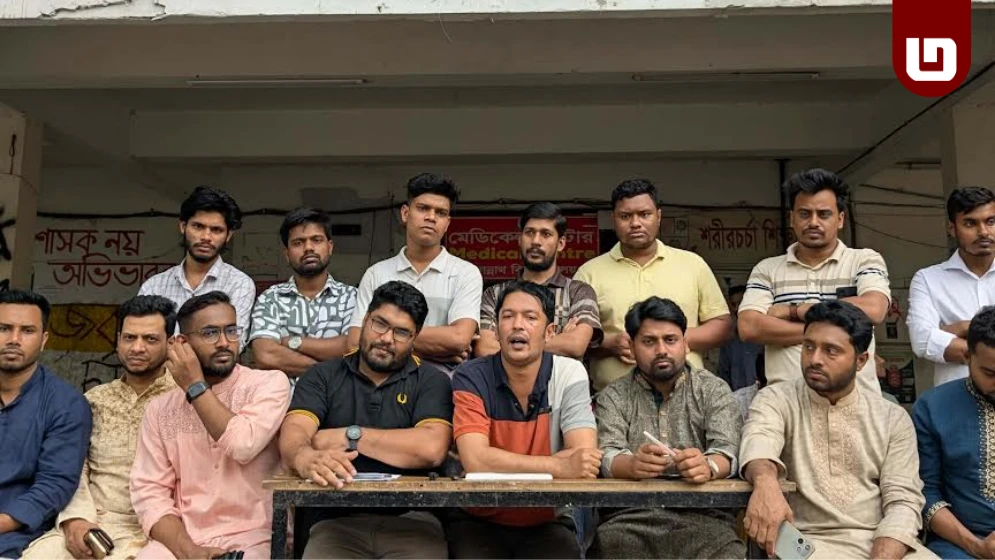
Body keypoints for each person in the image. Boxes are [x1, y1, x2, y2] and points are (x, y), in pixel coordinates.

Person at [740, 301, 935, 559]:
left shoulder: (892, 417)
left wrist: (883, 554)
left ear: (860, 361)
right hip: (804, 542)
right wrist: (765, 481)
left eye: (831, 351)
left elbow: (903, 500)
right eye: (809, 347)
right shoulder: (776, 399)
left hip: (880, 541)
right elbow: (759, 443)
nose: (815, 359)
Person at [279, 280, 453, 559]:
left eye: (401, 332)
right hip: (335, 520)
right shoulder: (322, 375)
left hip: (414, 521)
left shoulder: (431, 381)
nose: (386, 338)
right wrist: (303, 456)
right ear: (364, 320)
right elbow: (295, 431)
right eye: (379, 324)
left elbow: (431, 448)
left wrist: (350, 435)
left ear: (415, 337)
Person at [130, 291, 290, 560]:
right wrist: (191, 552)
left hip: (256, 538)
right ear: (181, 343)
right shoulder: (160, 410)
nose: (224, 342)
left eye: (231, 331)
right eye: (210, 333)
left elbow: (242, 445)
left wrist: (195, 386)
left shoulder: (269, 384)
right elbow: (150, 496)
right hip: (186, 540)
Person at [449, 281, 600, 559]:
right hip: (478, 518)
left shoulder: (569, 373)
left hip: (547, 520)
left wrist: (499, 462)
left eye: (530, 317)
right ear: (496, 330)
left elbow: (583, 459)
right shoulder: (471, 376)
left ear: (549, 332)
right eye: (508, 316)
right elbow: (476, 460)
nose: (517, 325)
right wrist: (558, 465)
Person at [23, 296, 178, 560]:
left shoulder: (184, 400)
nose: (137, 347)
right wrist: (76, 520)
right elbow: (74, 468)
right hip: (93, 522)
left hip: (155, 529)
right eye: (129, 338)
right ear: (118, 341)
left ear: (170, 343)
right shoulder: (94, 400)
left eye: (150, 339)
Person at [590, 296, 745, 559]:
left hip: (706, 520)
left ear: (686, 344)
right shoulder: (614, 396)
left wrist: (708, 466)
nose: (661, 350)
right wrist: (632, 466)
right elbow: (607, 454)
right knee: (610, 543)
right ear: (632, 347)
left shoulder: (713, 390)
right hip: (630, 520)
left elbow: (728, 450)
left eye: (670, 340)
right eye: (649, 342)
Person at [738, 168, 890, 396]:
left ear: (840, 219)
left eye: (824, 214)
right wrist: (834, 328)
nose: (814, 222)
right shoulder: (767, 269)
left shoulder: (863, 260)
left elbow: (874, 309)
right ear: (792, 218)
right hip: (785, 404)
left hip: (856, 402)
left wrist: (795, 311)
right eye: (804, 214)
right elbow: (749, 327)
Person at [574, 179, 731, 391]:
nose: (635, 223)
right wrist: (609, 344)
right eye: (625, 216)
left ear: (658, 216)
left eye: (644, 214)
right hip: (613, 400)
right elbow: (570, 339)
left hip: (686, 396)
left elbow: (722, 325)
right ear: (613, 219)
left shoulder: (693, 264)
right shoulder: (589, 273)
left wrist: (671, 339)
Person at [348, 173, 482, 375]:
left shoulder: (466, 273)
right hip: (382, 386)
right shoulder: (376, 274)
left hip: (443, 387)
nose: (431, 217)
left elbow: (459, 339)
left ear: (447, 223)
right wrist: (436, 353)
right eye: (423, 208)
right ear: (405, 213)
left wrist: (384, 338)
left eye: (440, 213)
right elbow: (354, 343)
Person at [0, 290, 91, 559]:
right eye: (4, 328)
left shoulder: (66, 404)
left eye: (27, 331)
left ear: (43, 340)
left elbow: (54, 485)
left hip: (15, 537)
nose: (14, 339)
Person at [912, 304, 995, 558]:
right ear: (967, 356)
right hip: (960, 543)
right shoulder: (932, 408)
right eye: (990, 373)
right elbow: (925, 493)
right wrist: (976, 546)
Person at [476, 202, 602, 360]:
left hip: (561, 377)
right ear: (520, 239)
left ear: (561, 243)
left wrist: (511, 344)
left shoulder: (578, 292)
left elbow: (576, 345)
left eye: (546, 234)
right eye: (529, 233)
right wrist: (558, 340)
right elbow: (485, 349)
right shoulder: (494, 294)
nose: (536, 241)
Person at [250, 208, 357, 388]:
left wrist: (291, 342)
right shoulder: (271, 298)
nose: (308, 248)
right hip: (284, 403)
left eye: (316, 240)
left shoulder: (352, 298)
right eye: (298, 242)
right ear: (287, 253)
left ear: (330, 247)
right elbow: (265, 355)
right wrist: (326, 369)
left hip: (338, 402)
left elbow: (351, 349)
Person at [139, 186, 255, 341]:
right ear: (183, 227)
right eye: (198, 226)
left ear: (228, 236)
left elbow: (233, 344)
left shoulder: (239, 284)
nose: (206, 237)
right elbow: (142, 342)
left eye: (216, 230)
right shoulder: (153, 287)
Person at [908, 187, 995, 387]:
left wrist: (954, 330)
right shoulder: (928, 279)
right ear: (952, 229)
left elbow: (933, 338)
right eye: (970, 223)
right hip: (955, 398)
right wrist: (971, 328)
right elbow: (922, 340)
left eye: (990, 221)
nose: (983, 232)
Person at [717, 285, 763, 391]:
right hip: (737, 397)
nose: (737, 308)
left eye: (740, 303)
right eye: (733, 304)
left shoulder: (765, 337)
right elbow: (723, 376)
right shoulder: (729, 342)